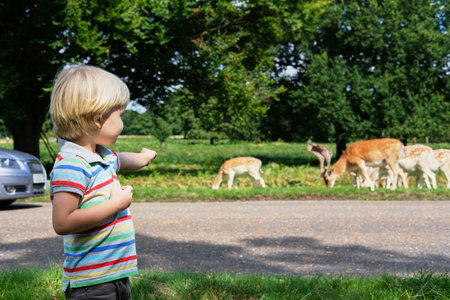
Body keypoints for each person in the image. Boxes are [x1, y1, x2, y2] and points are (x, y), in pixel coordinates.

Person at [49, 65, 157, 299]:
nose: (122, 123)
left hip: (115, 276)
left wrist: (144, 158)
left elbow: (124, 159)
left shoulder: (103, 156)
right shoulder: (72, 165)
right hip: (91, 284)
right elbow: (62, 222)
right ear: (98, 119)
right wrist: (116, 205)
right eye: (120, 115)